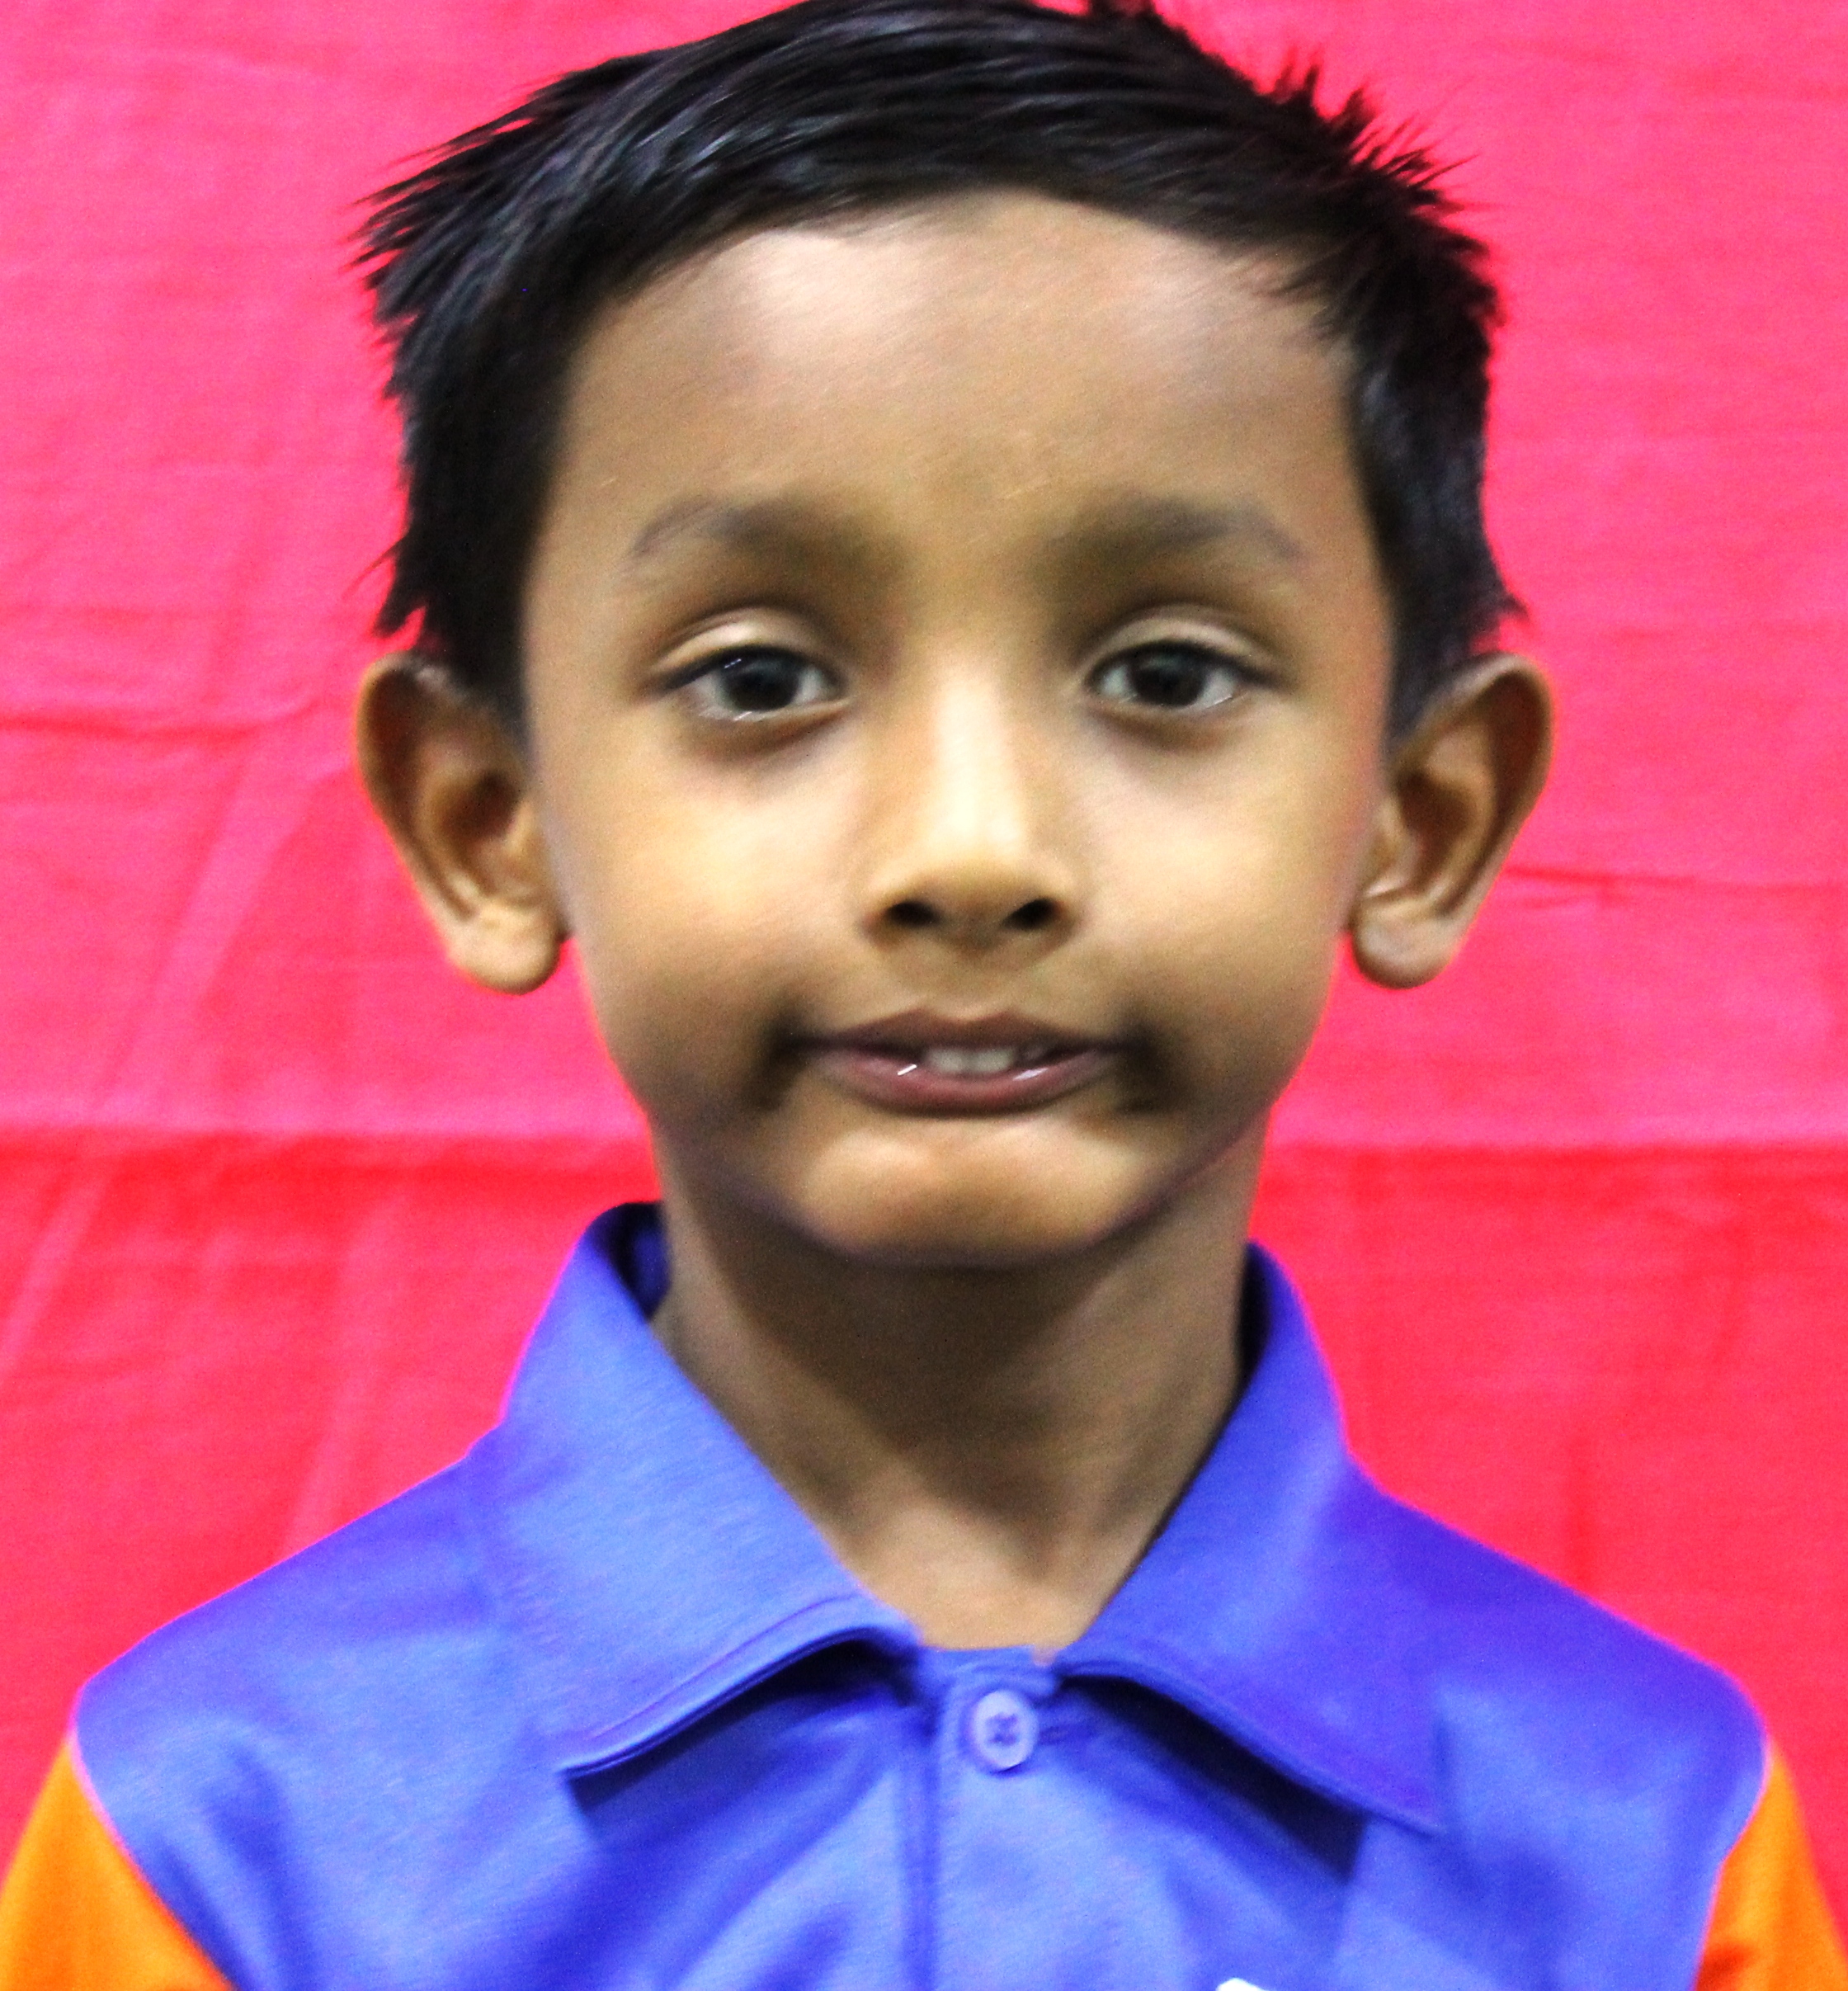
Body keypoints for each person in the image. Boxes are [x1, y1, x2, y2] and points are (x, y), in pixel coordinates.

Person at [2, 0, 1842, 1983]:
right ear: (487, 817)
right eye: (759, 677)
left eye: (1165, 672)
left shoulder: (1649, 1845)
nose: (972, 847)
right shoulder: (224, 1834)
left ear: (1420, 815)